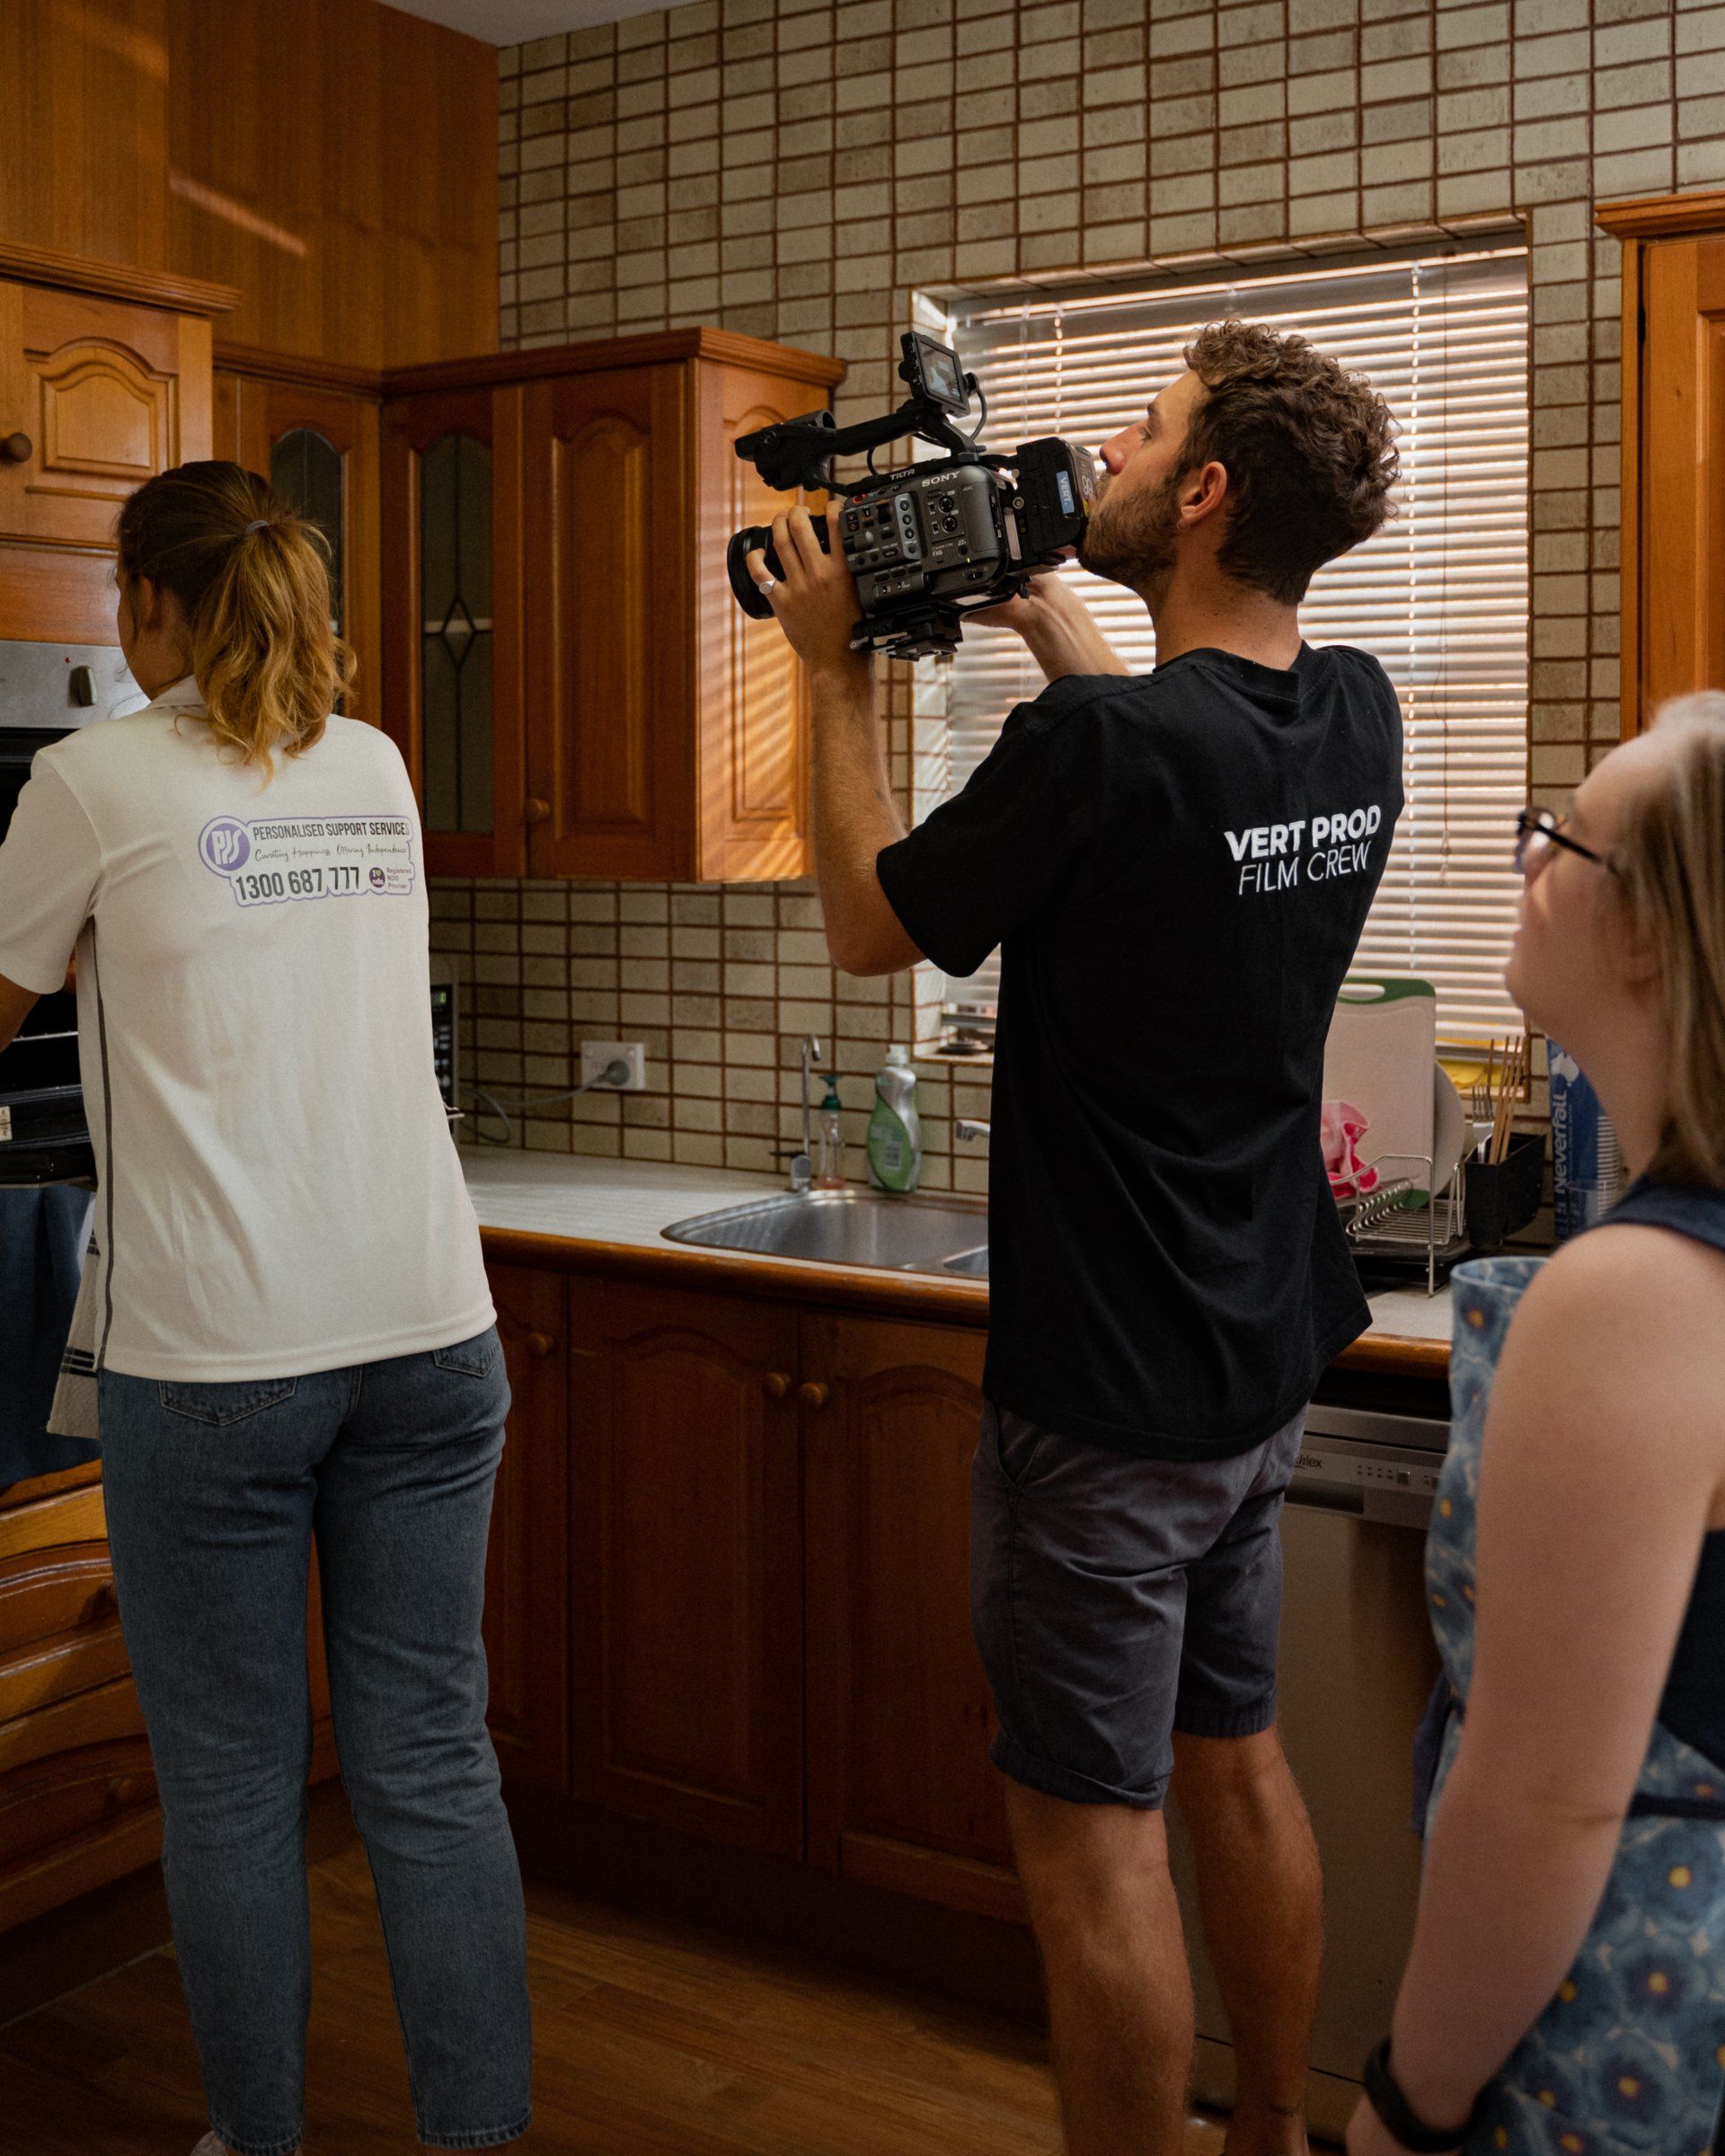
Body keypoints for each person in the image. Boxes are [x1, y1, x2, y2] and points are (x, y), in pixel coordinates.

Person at [749, 321, 1402, 2156]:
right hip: (1255, 1362)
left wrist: (838, 668)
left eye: (1141, 427)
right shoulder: (1352, 710)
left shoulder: (1098, 747)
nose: (1096, 445)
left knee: (1088, 1832)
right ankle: (1266, 2134)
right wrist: (1044, 610)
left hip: (1104, 1391)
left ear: (1202, 493)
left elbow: (877, 930)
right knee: (1239, 1764)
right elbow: (1177, 759)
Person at [0, 464, 532, 2156]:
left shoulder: (89, 778)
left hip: (222, 1357)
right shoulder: (372, 762)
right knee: (431, 1757)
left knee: (233, 1780)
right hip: (436, 1339)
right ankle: (479, 2135)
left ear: (149, 605)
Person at [1347, 698, 1725, 2156]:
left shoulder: (1639, 1298)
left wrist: (1411, 2104)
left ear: (1648, 933)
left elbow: (1546, 1801)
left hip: (1630, 2012)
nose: (1520, 862)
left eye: (1554, 840)